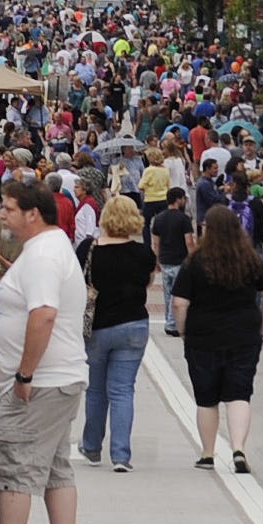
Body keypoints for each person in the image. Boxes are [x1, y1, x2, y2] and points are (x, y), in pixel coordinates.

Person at [0, 179, 91, 524]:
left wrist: (24, 373)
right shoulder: (46, 249)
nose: (3, 215)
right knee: (54, 468)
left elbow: (43, 314)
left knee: (14, 462)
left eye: (9, 208)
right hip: (56, 378)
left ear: (33, 213)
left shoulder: (45, 254)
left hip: (41, 382)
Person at [173, 205, 263, 474]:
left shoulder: (195, 262)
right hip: (243, 334)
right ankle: (238, 449)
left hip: (203, 335)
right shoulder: (250, 259)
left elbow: (179, 303)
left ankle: (208, 453)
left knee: (206, 398)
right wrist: (262, 328)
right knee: (239, 394)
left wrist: (184, 331)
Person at [79, 196, 158, 472]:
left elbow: (79, 281)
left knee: (96, 390)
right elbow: (148, 282)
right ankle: (121, 454)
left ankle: (91, 446)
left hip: (98, 324)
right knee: (123, 390)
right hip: (134, 323)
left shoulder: (89, 248)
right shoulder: (143, 252)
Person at [150, 187, 194, 336]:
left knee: (168, 293)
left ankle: (169, 320)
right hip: (180, 260)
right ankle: (172, 324)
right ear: (178, 199)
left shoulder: (159, 218)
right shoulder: (184, 219)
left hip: (165, 259)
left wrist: (156, 259)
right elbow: (189, 242)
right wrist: (193, 258)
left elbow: (156, 242)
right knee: (179, 293)